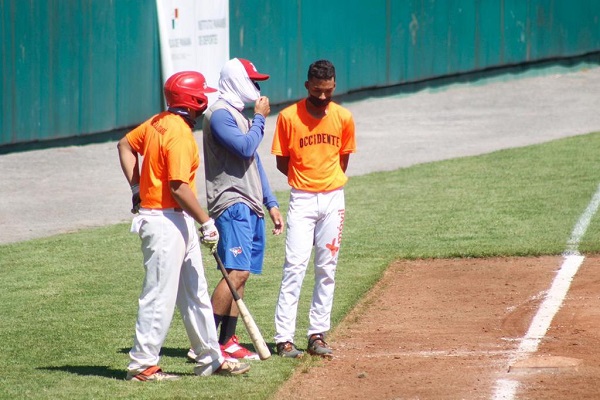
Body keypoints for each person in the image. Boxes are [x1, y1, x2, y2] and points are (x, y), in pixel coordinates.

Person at [117, 70, 251, 381]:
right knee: (159, 294)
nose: (207, 95)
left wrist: (136, 186)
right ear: (193, 100)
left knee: (196, 292)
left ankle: (210, 358)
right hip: (164, 221)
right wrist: (206, 221)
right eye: (202, 92)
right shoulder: (177, 132)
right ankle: (142, 366)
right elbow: (178, 186)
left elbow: (124, 145)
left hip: (174, 220)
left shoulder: (157, 121)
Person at [187, 58, 284, 361]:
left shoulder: (239, 115)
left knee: (241, 275)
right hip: (232, 202)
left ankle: (226, 341)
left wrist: (272, 203)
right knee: (236, 272)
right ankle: (204, 344)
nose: (257, 87)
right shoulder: (219, 115)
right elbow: (245, 147)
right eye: (252, 80)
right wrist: (260, 119)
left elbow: (253, 161)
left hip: (250, 202)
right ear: (236, 80)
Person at [271, 59, 356, 359]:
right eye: (317, 91)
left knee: (327, 268)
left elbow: (343, 159)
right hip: (302, 199)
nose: (322, 97)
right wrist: (306, 180)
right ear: (307, 85)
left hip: (334, 199)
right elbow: (282, 161)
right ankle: (284, 338)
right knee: (294, 266)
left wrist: (326, 181)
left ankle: (317, 334)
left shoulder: (344, 117)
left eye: (328, 91)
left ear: (334, 86)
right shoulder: (288, 117)